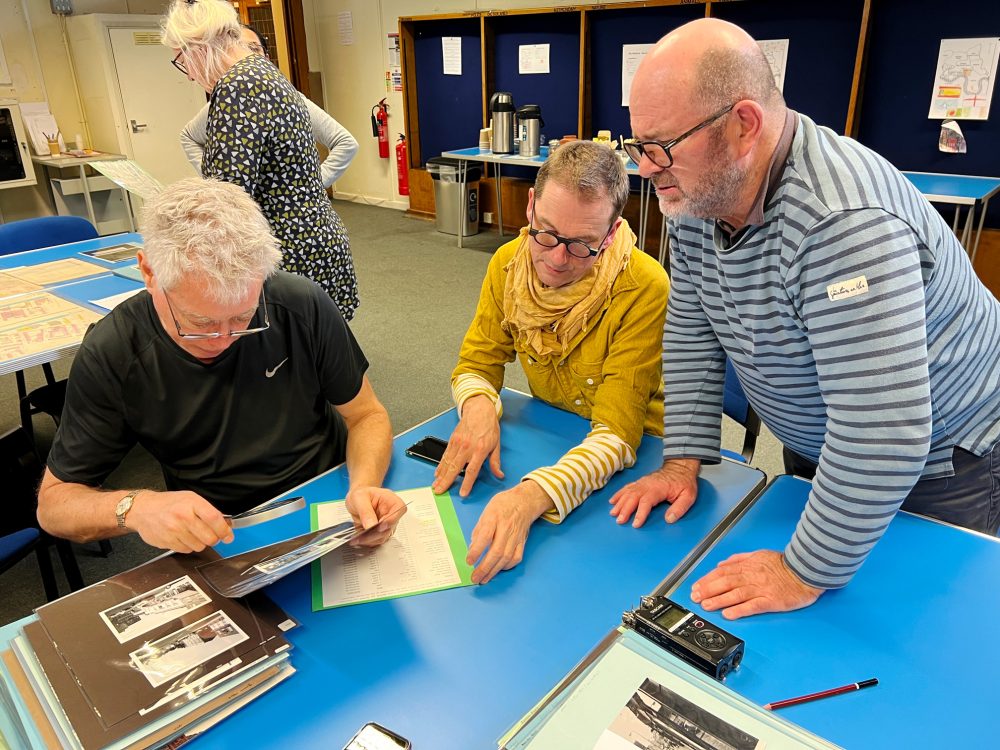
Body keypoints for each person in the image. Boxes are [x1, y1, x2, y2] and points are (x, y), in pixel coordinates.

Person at [614, 18, 1000, 619]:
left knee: (904, 627)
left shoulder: (842, 223)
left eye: (661, 146)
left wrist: (803, 569)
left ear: (743, 126)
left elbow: (885, 432)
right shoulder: (696, 189)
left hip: (945, 457)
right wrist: (683, 459)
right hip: (829, 441)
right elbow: (692, 326)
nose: (645, 167)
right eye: (638, 146)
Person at [37, 178, 405, 554]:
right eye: (199, 323)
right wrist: (136, 507)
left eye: (244, 317)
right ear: (149, 273)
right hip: (219, 528)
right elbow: (54, 505)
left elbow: (365, 416)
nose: (224, 338)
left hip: (328, 495)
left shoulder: (300, 303)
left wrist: (363, 485)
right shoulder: (115, 350)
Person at [431, 141, 670, 584]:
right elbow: (476, 363)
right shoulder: (507, 264)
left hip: (637, 458)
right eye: (546, 233)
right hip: (553, 435)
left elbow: (618, 434)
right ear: (530, 206)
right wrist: (479, 409)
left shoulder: (644, 286)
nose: (557, 259)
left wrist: (533, 496)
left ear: (613, 233)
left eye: (583, 245)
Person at [161, 0, 359, 320]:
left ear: (198, 46)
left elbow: (226, 198)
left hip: (283, 251)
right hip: (316, 237)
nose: (189, 76)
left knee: (287, 360)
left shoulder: (236, 86)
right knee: (318, 352)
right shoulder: (265, 72)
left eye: (182, 61)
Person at [179, 26, 359, 189]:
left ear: (265, 57)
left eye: (252, 49)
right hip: (247, 216)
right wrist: (213, 183)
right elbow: (188, 136)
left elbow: (345, 143)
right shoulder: (223, 103)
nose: (243, 56)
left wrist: (310, 188)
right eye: (237, 48)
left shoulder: (289, 99)